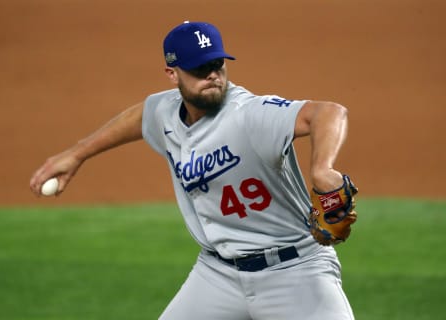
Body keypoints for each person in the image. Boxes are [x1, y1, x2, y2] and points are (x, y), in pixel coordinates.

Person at [30, 21, 355, 320]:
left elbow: (328, 113)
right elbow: (143, 114)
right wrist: (77, 154)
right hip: (218, 275)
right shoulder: (167, 112)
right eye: (200, 69)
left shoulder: (249, 114)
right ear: (173, 74)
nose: (212, 76)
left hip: (295, 270)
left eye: (217, 65)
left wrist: (322, 169)